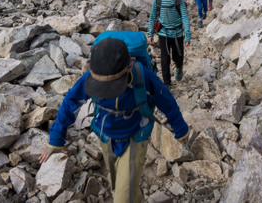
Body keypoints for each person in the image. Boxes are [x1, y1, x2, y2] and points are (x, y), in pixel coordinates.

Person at [39, 38, 190, 203]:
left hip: (135, 136)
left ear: (130, 67)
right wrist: (56, 137)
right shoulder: (91, 76)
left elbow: (166, 101)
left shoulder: (143, 76)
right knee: (118, 183)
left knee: (122, 197)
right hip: (106, 137)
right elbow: (71, 101)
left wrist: (181, 130)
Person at [147, 0, 191, 86]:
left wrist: (187, 34)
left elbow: (185, 17)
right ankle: (167, 84)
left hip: (177, 34)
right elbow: (152, 17)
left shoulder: (179, 0)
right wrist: (150, 33)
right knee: (164, 60)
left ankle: (179, 67)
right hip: (163, 34)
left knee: (178, 56)